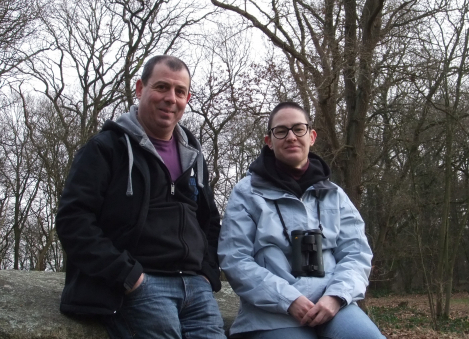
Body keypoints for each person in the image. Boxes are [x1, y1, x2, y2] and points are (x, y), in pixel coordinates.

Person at [56, 55, 226, 339]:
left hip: (196, 287)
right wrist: (128, 276)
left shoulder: (194, 156)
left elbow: (210, 221)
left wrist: (207, 273)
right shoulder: (106, 148)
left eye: (180, 91)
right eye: (161, 87)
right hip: (140, 284)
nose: (171, 98)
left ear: (187, 98)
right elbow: (73, 220)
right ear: (139, 89)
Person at [218, 102, 385, 339]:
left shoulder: (334, 194)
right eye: (281, 131)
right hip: (271, 315)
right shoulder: (247, 193)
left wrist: (336, 297)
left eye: (298, 129)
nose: (291, 137)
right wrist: (288, 299)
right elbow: (234, 258)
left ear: (312, 136)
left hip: (333, 307)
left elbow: (356, 253)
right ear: (269, 141)